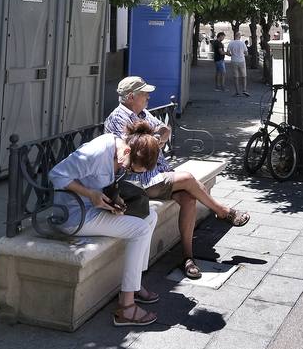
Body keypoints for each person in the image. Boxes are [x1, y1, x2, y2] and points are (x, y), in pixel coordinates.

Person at [104, 76, 249, 282]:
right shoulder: (118, 118)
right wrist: (155, 141)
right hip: (137, 181)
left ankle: (188, 258)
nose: (148, 96)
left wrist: (155, 139)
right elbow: (134, 152)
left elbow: (165, 129)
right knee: (188, 178)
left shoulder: (142, 113)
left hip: (156, 174)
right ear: (130, 96)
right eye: (144, 93)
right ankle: (222, 211)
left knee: (189, 199)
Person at [49, 117, 162, 325]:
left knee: (150, 215)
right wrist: (90, 194)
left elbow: (104, 182)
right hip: (73, 215)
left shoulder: (120, 150)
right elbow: (56, 174)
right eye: (130, 168)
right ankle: (126, 307)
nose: (125, 170)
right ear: (127, 151)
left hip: (90, 209)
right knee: (140, 230)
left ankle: (134, 285)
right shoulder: (97, 152)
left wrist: (115, 199)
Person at [226, 29, 249, 97]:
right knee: (244, 76)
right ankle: (244, 90)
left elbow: (227, 52)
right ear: (239, 37)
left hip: (234, 60)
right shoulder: (242, 43)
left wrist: (232, 55)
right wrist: (242, 55)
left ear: (235, 36)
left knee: (236, 77)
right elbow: (246, 53)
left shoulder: (231, 43)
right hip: (241, 60)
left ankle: (237, 92)